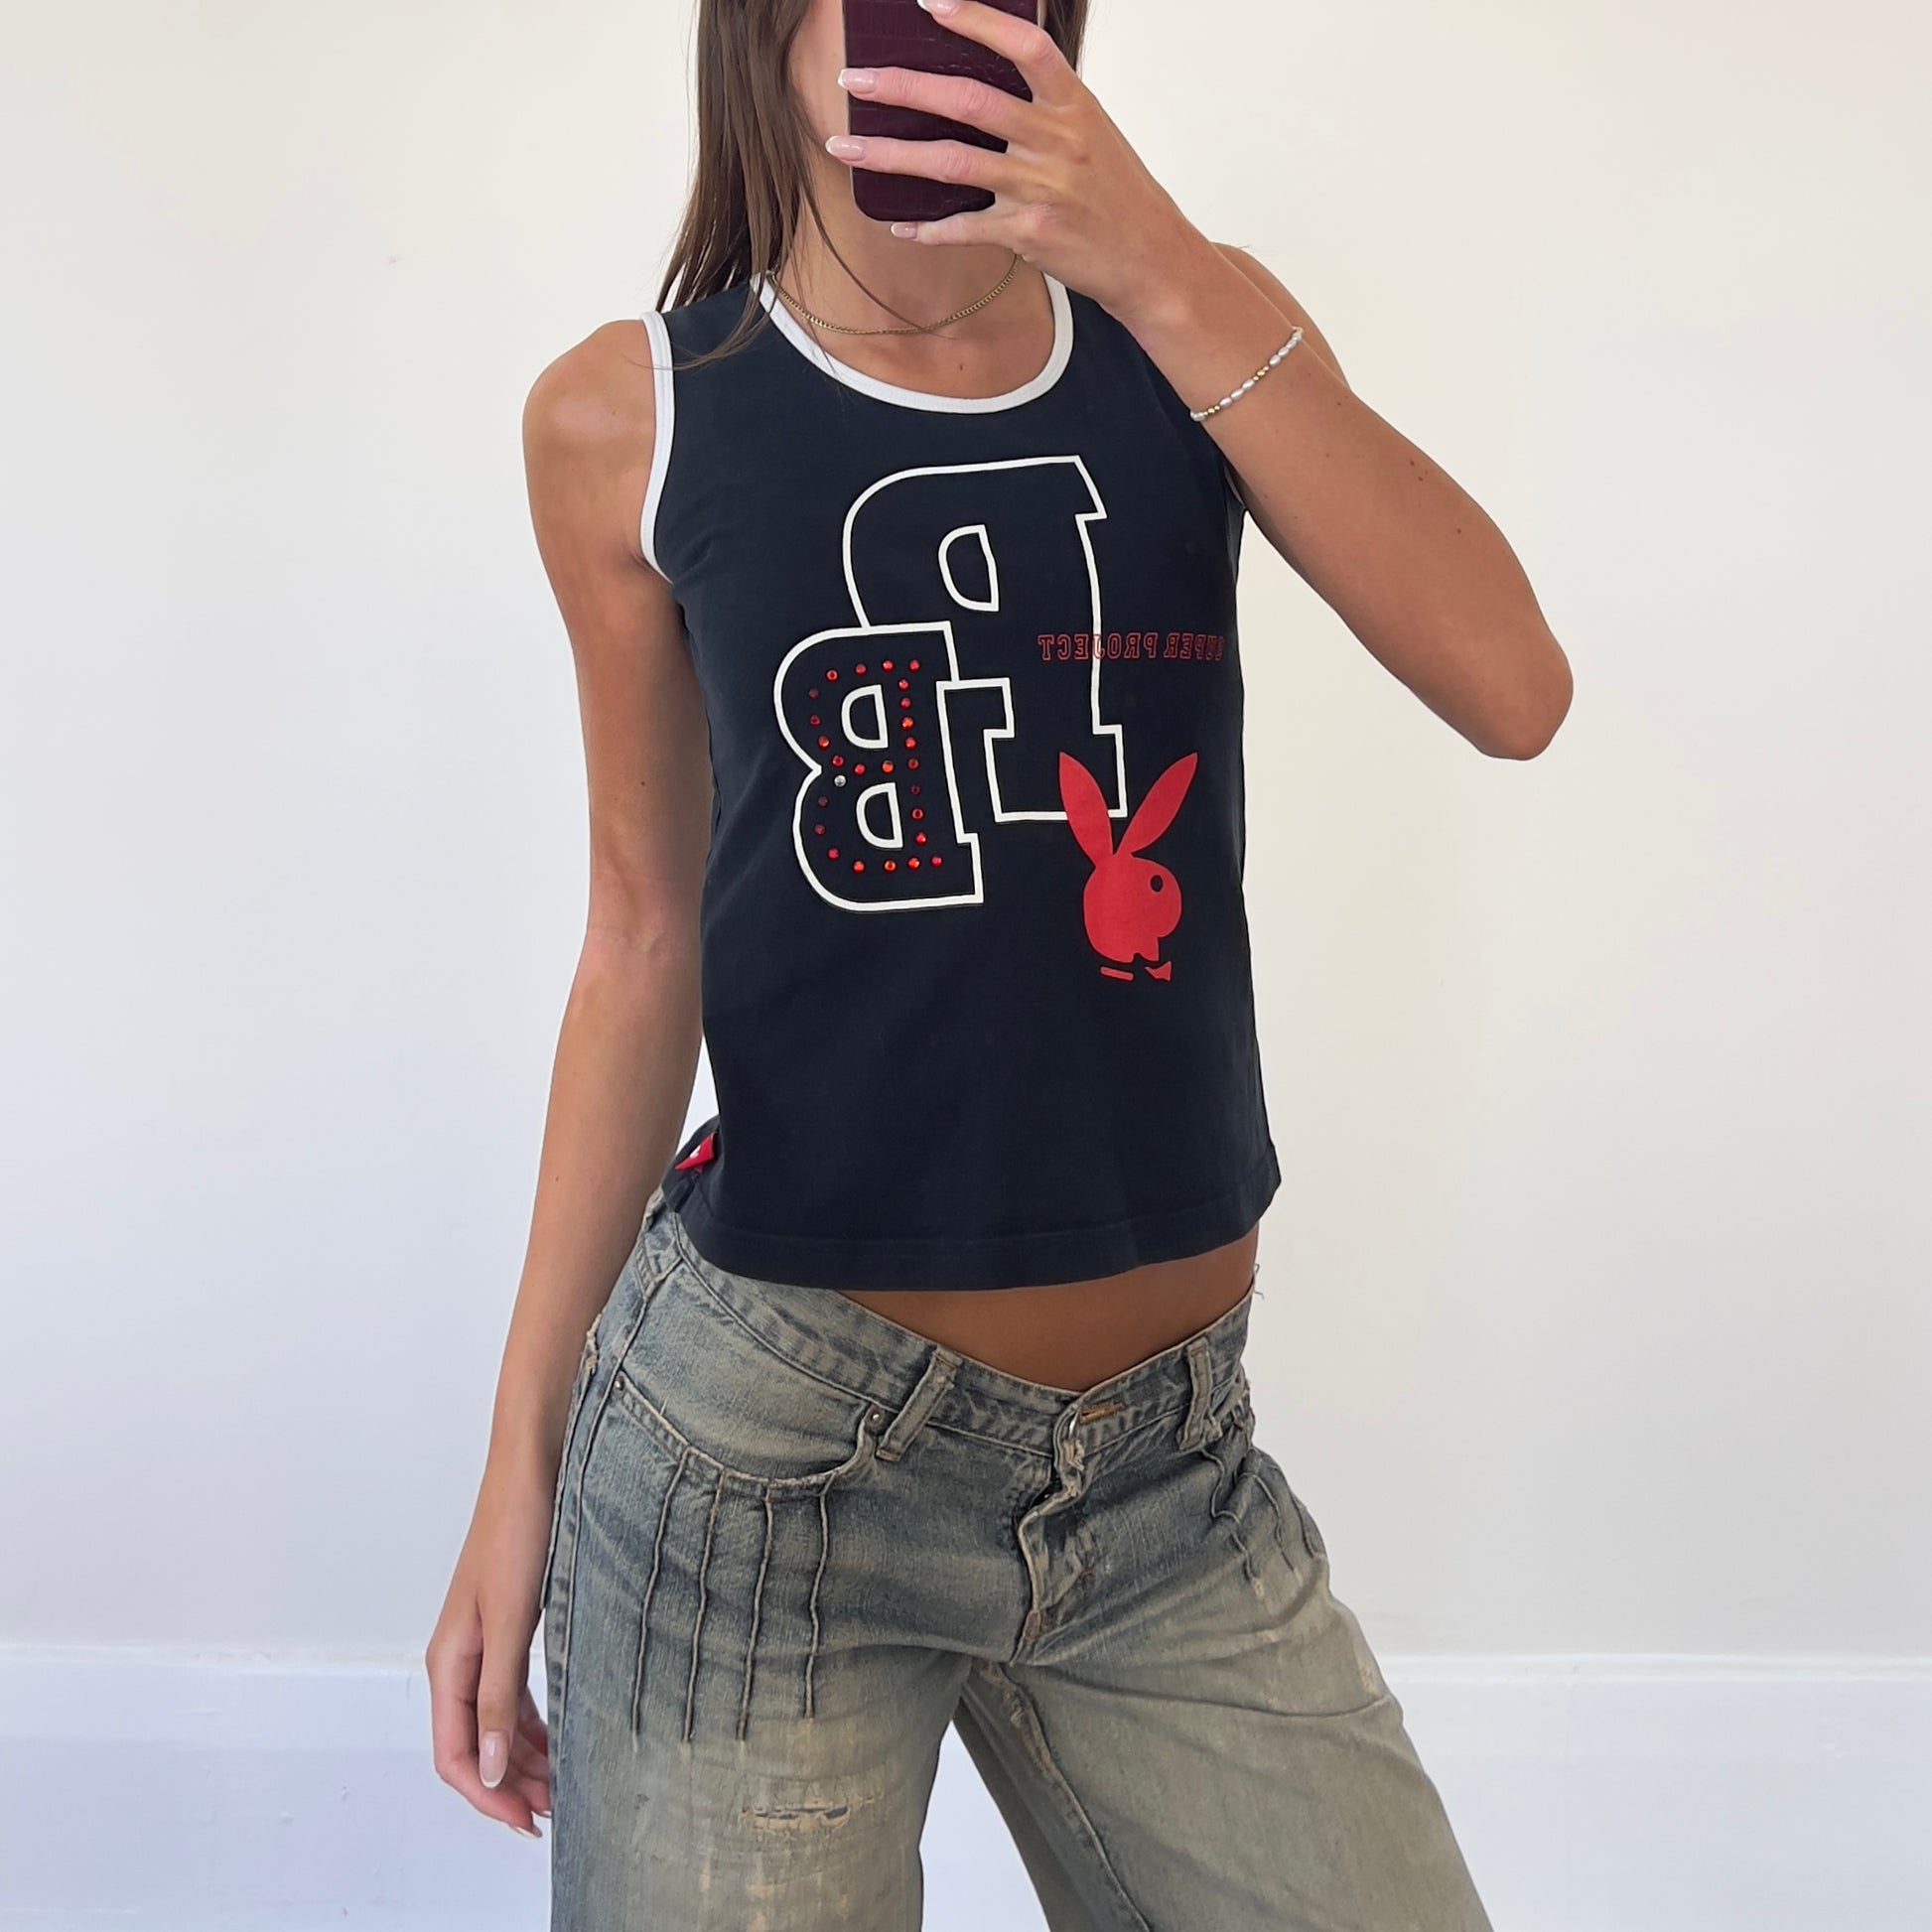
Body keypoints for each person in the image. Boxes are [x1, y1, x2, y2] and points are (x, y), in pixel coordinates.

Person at [426, 0, 1572, 1923]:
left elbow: (1511, 686)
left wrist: (1161, 266)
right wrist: (514, 1459)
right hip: (767, 1460)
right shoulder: (630, 415)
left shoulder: (1187, 324)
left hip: (1170, 1477)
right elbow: (639, 932)